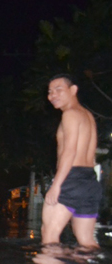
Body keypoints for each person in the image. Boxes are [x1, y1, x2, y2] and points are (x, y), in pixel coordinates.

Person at [41, 74, 101, 248]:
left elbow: (70, 151)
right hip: (89, 181)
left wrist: (57, 185)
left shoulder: (70, 114)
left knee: (49, 234)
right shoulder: (87, 115)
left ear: (73, 90)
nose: (53, 95)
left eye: (59, 90)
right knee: (87, 241)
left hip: (71, 178)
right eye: (50, 92)